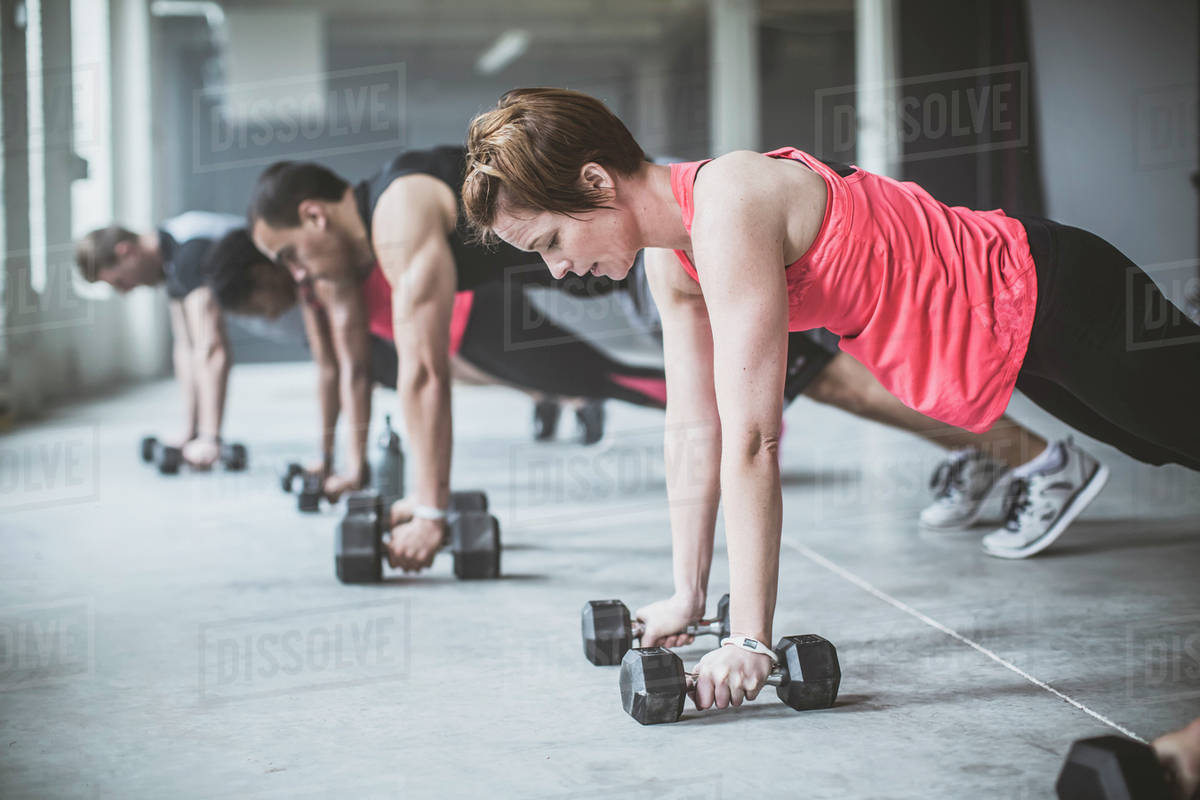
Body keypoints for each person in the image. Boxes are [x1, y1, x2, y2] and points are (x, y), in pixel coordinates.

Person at [461, 88, 1200, 715]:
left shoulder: (730, 203)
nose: (558, 270)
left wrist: (749, 637)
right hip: (1017, 329)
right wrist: (687, 597)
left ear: (595, 181)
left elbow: (754, 437)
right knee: (1159, 444)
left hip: (1054, 292)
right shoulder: (668, 263)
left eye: (552, 241)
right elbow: (694, 431)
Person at [75, 212, 242, 467]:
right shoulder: (170, 260)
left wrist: (211, 440)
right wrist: (190, 433)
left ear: (126, 251)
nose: (126, 291)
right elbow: (186, 347)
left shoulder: (190, 250)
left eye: (120, 281)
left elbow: (212, 348)